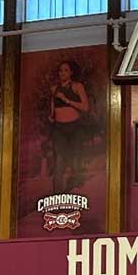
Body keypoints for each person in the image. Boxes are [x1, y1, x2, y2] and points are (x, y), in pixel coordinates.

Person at [47, 60, 92, 193]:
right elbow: (53, 107)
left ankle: (75, 186)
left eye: (66, 70)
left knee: (76, 159)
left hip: (74, 127)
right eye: (61, 70)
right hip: (59, 128)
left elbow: (85, 107)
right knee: (59, 159)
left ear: (71, 72)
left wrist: (67, 100)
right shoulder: (54, 89)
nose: (62, 73)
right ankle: (57, 193)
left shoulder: (77, 86)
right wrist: (51, 116)